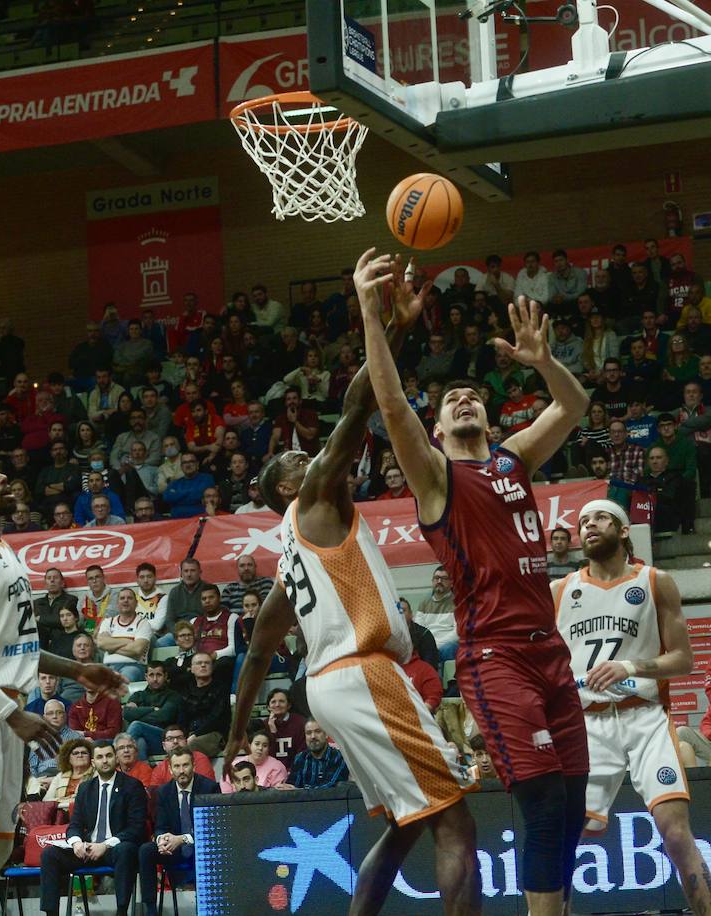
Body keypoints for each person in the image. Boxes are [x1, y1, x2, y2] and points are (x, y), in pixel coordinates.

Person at [243, 249, 480, 915]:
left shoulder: (293, 553)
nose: (307, 455)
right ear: (290, 486)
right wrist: (383, 318)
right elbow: (361, 403)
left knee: (406, 825)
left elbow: (261, 647)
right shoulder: (315, 494)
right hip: (363, 672)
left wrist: (236, 732)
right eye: (296, 457)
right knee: (456, 822)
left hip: (325, 686)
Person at [364, 258, 590, 913]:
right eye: (449, 402)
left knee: (573, 800)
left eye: (472, 397)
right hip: (496, 657)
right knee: (543, 796)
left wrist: (544, 361)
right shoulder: (437, 480)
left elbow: (574, 404)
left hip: (549, 652)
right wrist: (373, 316)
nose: (463, 400)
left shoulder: (513, 457)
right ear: (434, 430)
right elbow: (387, 403)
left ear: (488, 416)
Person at [0, 454, 126, 916]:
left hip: (1, 704)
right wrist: (10, 712)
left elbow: (18, 646)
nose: (2, 476)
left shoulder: (2, 547)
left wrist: (79, 671)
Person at [555, 500, 711, 913]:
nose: (588, 525)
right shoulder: (559, 591)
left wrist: (629, 666)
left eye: (600, 518)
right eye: (582, 521)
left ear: (624, 530)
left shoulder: (654, 580)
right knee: (562, 839)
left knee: (676, 834)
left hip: (644, 716)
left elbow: (683, 659)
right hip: (587, 724)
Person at [39, 740, 148, 916]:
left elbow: (136, 828)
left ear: (116, 758)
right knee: (50, 855)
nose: (105, 760)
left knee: (126, 850)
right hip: (88, 849)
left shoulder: (132, 786)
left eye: (109, 756)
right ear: (93, 762)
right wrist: (76, 843)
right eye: (100, 757)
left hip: (115, 849)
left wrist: (105, 845)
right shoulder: (85, 788)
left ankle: (122, 911)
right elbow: (75, 824)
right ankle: (51, 913)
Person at [137, 748, 220, 916]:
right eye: (177, 766)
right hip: (173, 849)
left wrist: (182, 839)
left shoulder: (209, 788)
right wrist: (162, 839)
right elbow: (160, 825)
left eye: (185, 765)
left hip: (201, 848)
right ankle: (150, 910)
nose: (181, 771)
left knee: (209, 850)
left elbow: (214, 829)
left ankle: (210, 907)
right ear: (170, 769)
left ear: (193, 766)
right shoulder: (163, 792)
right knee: (146, 850)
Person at [97, 588, 151, 683]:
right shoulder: (108, 622)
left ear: (136, 603)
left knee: (120, 681)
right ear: (117, 603)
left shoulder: (143, 623)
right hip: (108, 666)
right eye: (122, 598)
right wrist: (128, 642)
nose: (125, 600)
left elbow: (136, 650)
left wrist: (110, 648)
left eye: (129, 598)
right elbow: (101, 643)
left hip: (133, 667)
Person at [286, 719, 351, 789]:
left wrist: (299, 791)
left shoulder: (338, 757)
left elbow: (329, 789)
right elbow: (291, 786)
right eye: (308, 733)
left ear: (326, 734)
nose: (313, 736)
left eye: (317, 731)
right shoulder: (300, 758)